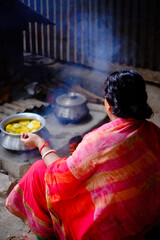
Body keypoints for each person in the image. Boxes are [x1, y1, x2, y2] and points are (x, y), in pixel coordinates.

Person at [5, 69, 160, 240]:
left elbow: (60, 173)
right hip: (148, 219)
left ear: (108, 104)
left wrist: (40, 143)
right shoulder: (153, 131)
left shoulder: (98, 141)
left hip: (111, 232)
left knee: (38, 171)